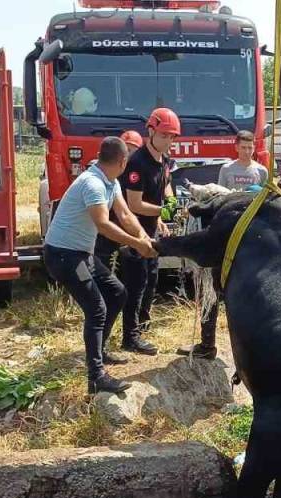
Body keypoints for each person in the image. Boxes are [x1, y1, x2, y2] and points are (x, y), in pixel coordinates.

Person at [45, 137, 156, 393]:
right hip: (63, 255)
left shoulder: (110, 181)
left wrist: (143, 238)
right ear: (122, 161)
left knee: (117, 293)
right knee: (97, 309)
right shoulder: (92, 183)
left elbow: (126, 214)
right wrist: (136, 244)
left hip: (81, 253)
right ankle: (96, 377)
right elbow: (103, 225)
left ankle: (100, 350)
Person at [113, 107, 181, 355]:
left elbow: (167, 185)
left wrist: (171, 203)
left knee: (152, 279)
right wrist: (163, 211)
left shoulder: (163, 160)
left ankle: (142, 324)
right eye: (164, 136)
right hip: (133, 231)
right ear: (151, 131)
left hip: (151, 231)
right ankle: (130, 337)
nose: (168, 141)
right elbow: (134, 205)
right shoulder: (137, 163)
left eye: (172, 137)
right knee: (136, 283)